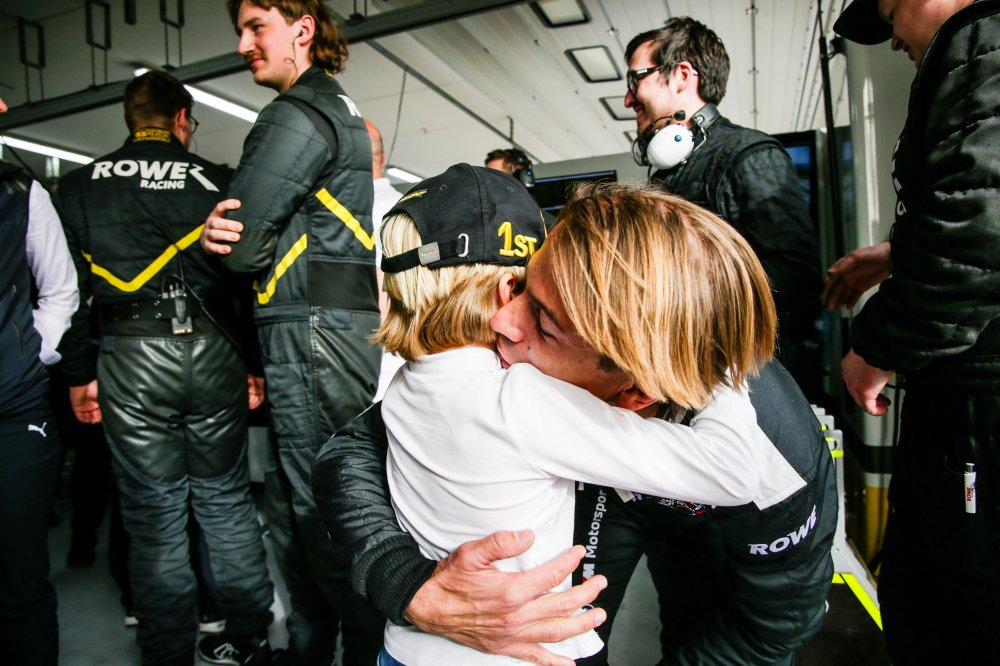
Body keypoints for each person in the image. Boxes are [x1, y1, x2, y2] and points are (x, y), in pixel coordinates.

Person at [314, 182, 837, 665]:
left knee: (691, 617)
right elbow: (354, 446)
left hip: (722, 537)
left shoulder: (773, 456)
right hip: (617, 503)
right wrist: (404, 579)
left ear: (636, 392)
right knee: (563, 632)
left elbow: (771, 627)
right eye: (522, 286)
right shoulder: (516, 359)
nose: (501, 319)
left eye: (543, 325)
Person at [56, 70, 273, 666]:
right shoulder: (220, 181)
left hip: (128, 355)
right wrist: (251, 363)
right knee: (225, 502)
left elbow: (67, 295)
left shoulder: (76, 188)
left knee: (153, 516)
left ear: (131, 118)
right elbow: (247, 283)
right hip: (214, 352)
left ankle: (166, 651)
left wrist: (80, 374)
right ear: (182, 120)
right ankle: (250, 636)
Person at [198, 1, 383, 663]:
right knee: (300, 504)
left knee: (316, 510)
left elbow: (241, 248)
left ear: (302, 29)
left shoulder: (294, 114)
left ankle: (358, 648)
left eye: (257, 27)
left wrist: (211, 238)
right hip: (329, 328)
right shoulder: (339, 110)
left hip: (307, 331)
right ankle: (318, 647)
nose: (243, 44)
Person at [827, 0, 1000, 662]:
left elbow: (980, 232)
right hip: (966, 399)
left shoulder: (983, 46)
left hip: (979, 405)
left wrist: (875, 345)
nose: (894, 39)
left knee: (961, 611)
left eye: (888, 12)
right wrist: (899, 254)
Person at [625, 17, 823, 400]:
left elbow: (797, 276)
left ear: (682, 75)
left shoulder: (750, 155)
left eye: (636, 80)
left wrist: (676, 298)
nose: (628, 99)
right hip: (683, 380)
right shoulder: (667, 176)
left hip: (741, 389)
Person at [0, 94, 78, 666]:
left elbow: (59, 291)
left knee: (19, 578)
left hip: (12, 412)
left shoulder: (20, 192)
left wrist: (30, 355)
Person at [366, 118, 405, 401]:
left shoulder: (363, 213)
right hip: (407, 361)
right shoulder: (406, 203)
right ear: (383, 157)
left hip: (376, 365)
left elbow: (382, 295)